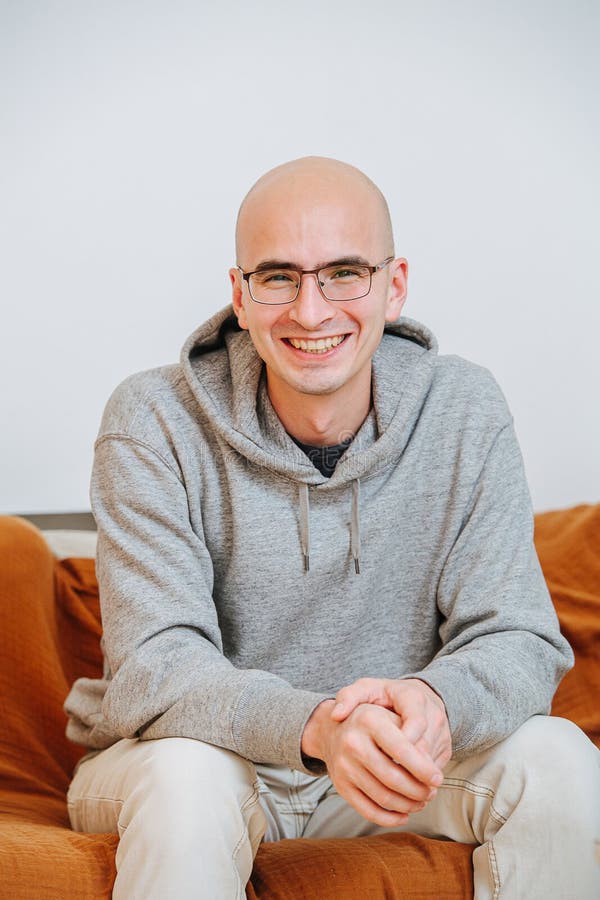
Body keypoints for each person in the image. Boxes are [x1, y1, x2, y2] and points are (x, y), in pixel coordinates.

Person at [64, 156, 600, 899]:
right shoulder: (152, 419)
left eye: (344, 273)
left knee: (561, 759)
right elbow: (157, 665)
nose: (311, 312)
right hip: (198, 760)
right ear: (240, 297)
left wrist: (438, 706)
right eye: (278, 277)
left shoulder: (465, 409)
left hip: (387, 769)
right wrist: (318, 727)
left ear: (394, 284)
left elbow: (518, 637)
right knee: (190, 778)